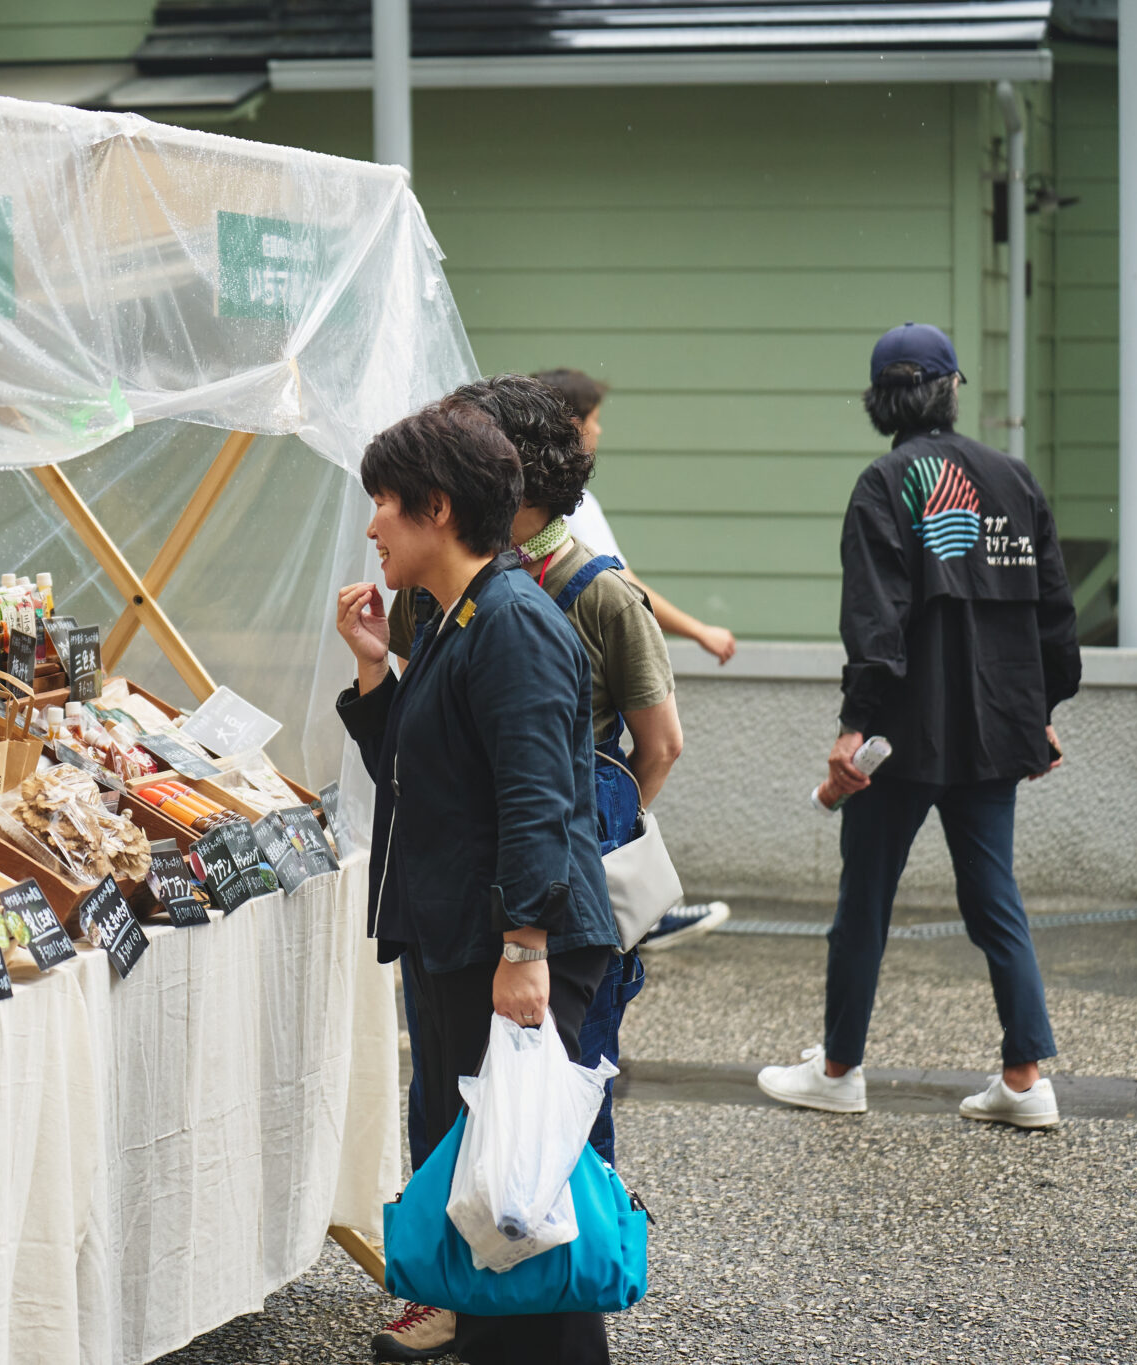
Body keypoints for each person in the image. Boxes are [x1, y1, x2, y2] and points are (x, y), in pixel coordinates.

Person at [335, 400, 618, 1363]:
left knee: (525, 1194)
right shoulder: (460, 617)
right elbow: (426, 779)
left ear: (438, 507)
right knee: (496, 1190)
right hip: (470, 941)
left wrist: (525, 947)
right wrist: (377, 671)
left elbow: (538, 799)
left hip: (514, 949)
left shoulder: (511, 623)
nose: (372, 525)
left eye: (384, 502)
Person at [756, 322, 1079, 1129]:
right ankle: (1025, 1076)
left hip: (897, 737)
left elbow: (876, 621)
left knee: (864, 900)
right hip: (998, 729)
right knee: (994, 898)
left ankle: (839, 1070)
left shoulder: (885, 483)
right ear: (952, 389)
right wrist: (1042, 713)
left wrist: (853, 724)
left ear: (880, 400)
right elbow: (1055, 616)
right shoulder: (1013, 480)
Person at [452, 374, 681, 1170]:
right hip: (472, 873)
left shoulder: (605, 596)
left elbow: (660, 744)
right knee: (466, 1085)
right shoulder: (440, 589)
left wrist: (592, 832)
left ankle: (579, 1272)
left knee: (572, 1076)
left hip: (561, 885)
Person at [534, 367, 735, 951]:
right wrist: (610, 835)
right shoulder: (576, 513)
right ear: (571, 425)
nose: (599, 431)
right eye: (594, 419)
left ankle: (632, 898)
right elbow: (623, 584)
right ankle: (632, 895)